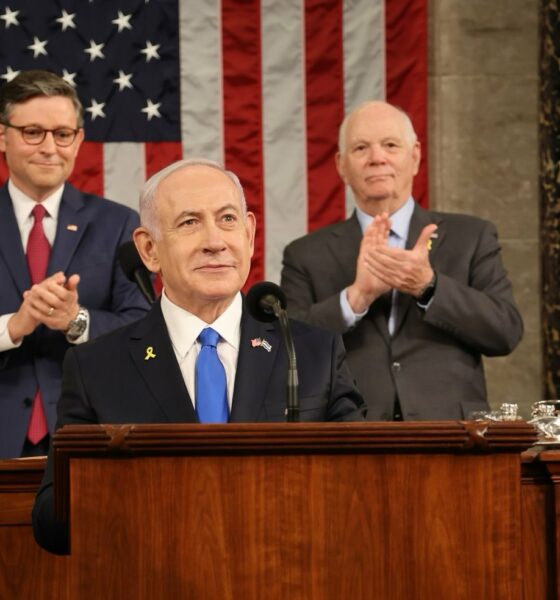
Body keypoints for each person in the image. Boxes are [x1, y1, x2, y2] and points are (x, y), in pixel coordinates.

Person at [32, 158, 366, 554]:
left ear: (250, 233)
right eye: (190, 222)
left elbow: (363, 492)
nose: (215, 241)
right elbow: (53, 523)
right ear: (149, 249)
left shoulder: (312, 353)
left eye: (227, 219)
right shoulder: (97, 368)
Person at [281, 101, 523, 421]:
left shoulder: (472, 236)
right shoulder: (304, 254)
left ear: (416, 157)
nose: (377, 158)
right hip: (350, 438)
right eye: (361, 148)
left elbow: (505, 332)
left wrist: (429, 286)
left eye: (391, 145)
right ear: (341, 165)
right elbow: (285, 353)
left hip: (453, 438)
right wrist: (355, 299)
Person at [0, 70, 150, 458]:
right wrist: (13, 327)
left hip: (89, 433)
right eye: (33, 132)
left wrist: (76, 320)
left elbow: (146, 330)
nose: (50, 147)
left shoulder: (119, 224)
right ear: (3, 136)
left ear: (79, 140)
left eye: (63, 134)